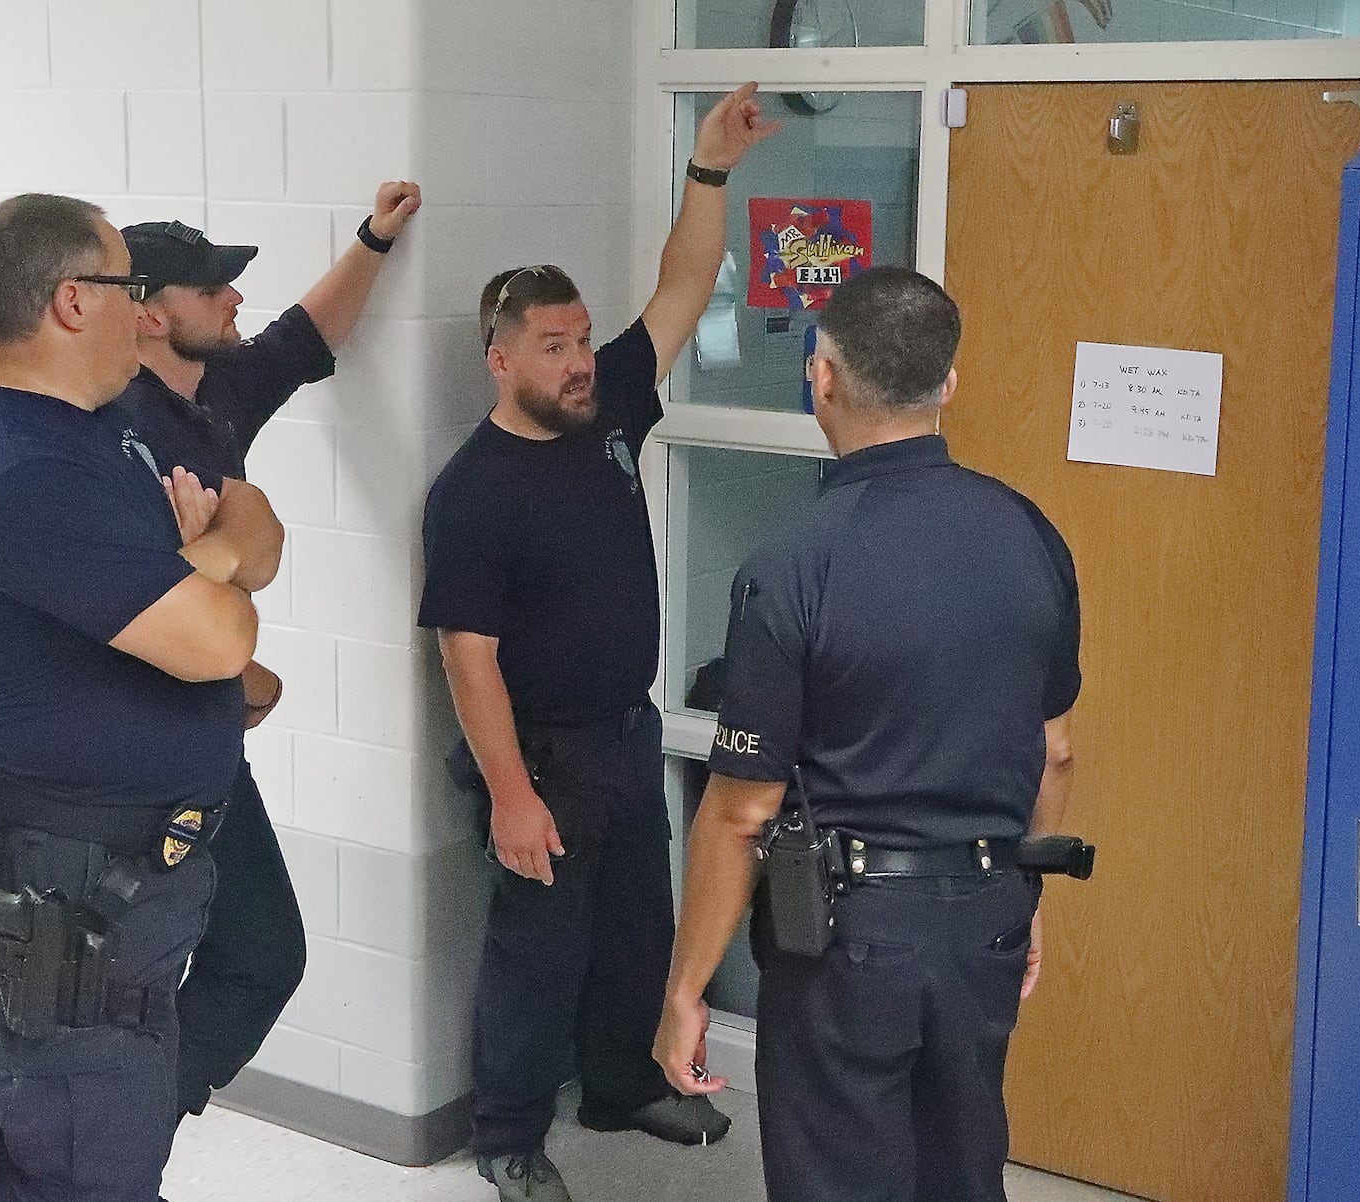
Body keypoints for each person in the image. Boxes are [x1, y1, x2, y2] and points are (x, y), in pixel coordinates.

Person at [417, 84, 778, 1202]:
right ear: (499, 357)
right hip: (545, 757)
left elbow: (681, 286)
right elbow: (466, 655)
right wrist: (512, 793)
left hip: (624, 734)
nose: (579, 360)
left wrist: (709, 170)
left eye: (580, 339)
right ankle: (509, 1136)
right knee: (537, 954)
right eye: (553, 346)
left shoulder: (610, 406)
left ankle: (620, 1086)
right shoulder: (473, 492)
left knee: (635, 934)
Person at [653, 267, 1082, 1202]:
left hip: (846, 942)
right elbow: (1054, 751)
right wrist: (1025, 889)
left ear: (823, 377)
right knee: (964, 1172)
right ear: (948, 384)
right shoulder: (1031, 536)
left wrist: (687, 991)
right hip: (986, 918)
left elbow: (741, 813)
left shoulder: (793, 565)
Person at [0, 193, 284, 1201]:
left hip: (116, 873)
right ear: (74, 301)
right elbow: (218, 636)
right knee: (79, 1178)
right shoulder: (12, 461)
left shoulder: (96, 421)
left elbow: (255, 520)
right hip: (72, 879)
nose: (144, 311)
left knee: (79, 1157)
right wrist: (208, 564)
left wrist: (198, 560)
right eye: (130, 287)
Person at [112, 178, 422, 1122]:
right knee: (179, 963)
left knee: (261, 952)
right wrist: (239, 655)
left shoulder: (216, 390)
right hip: (134, 760)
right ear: (151, 315)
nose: (233, 299)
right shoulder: (114, 432)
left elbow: (305, 336)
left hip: (206, 741)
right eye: (212, 291)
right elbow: (131, 608)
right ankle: (121, 1126)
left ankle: (141, 1117)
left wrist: (373, 237)